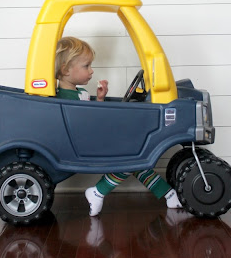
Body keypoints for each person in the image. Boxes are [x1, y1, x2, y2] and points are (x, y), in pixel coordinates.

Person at [55, 36, 182, 216]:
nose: (91, 71)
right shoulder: (66, 99)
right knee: (133, 158)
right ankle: (98, 192)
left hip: (92, 140)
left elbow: (90, 117)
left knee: (137, 159)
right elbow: (83, 124)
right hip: (85, 146)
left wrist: (99, 99)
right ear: (66, 69)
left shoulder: (79, 93)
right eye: (86, 66)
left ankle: (169, 195)